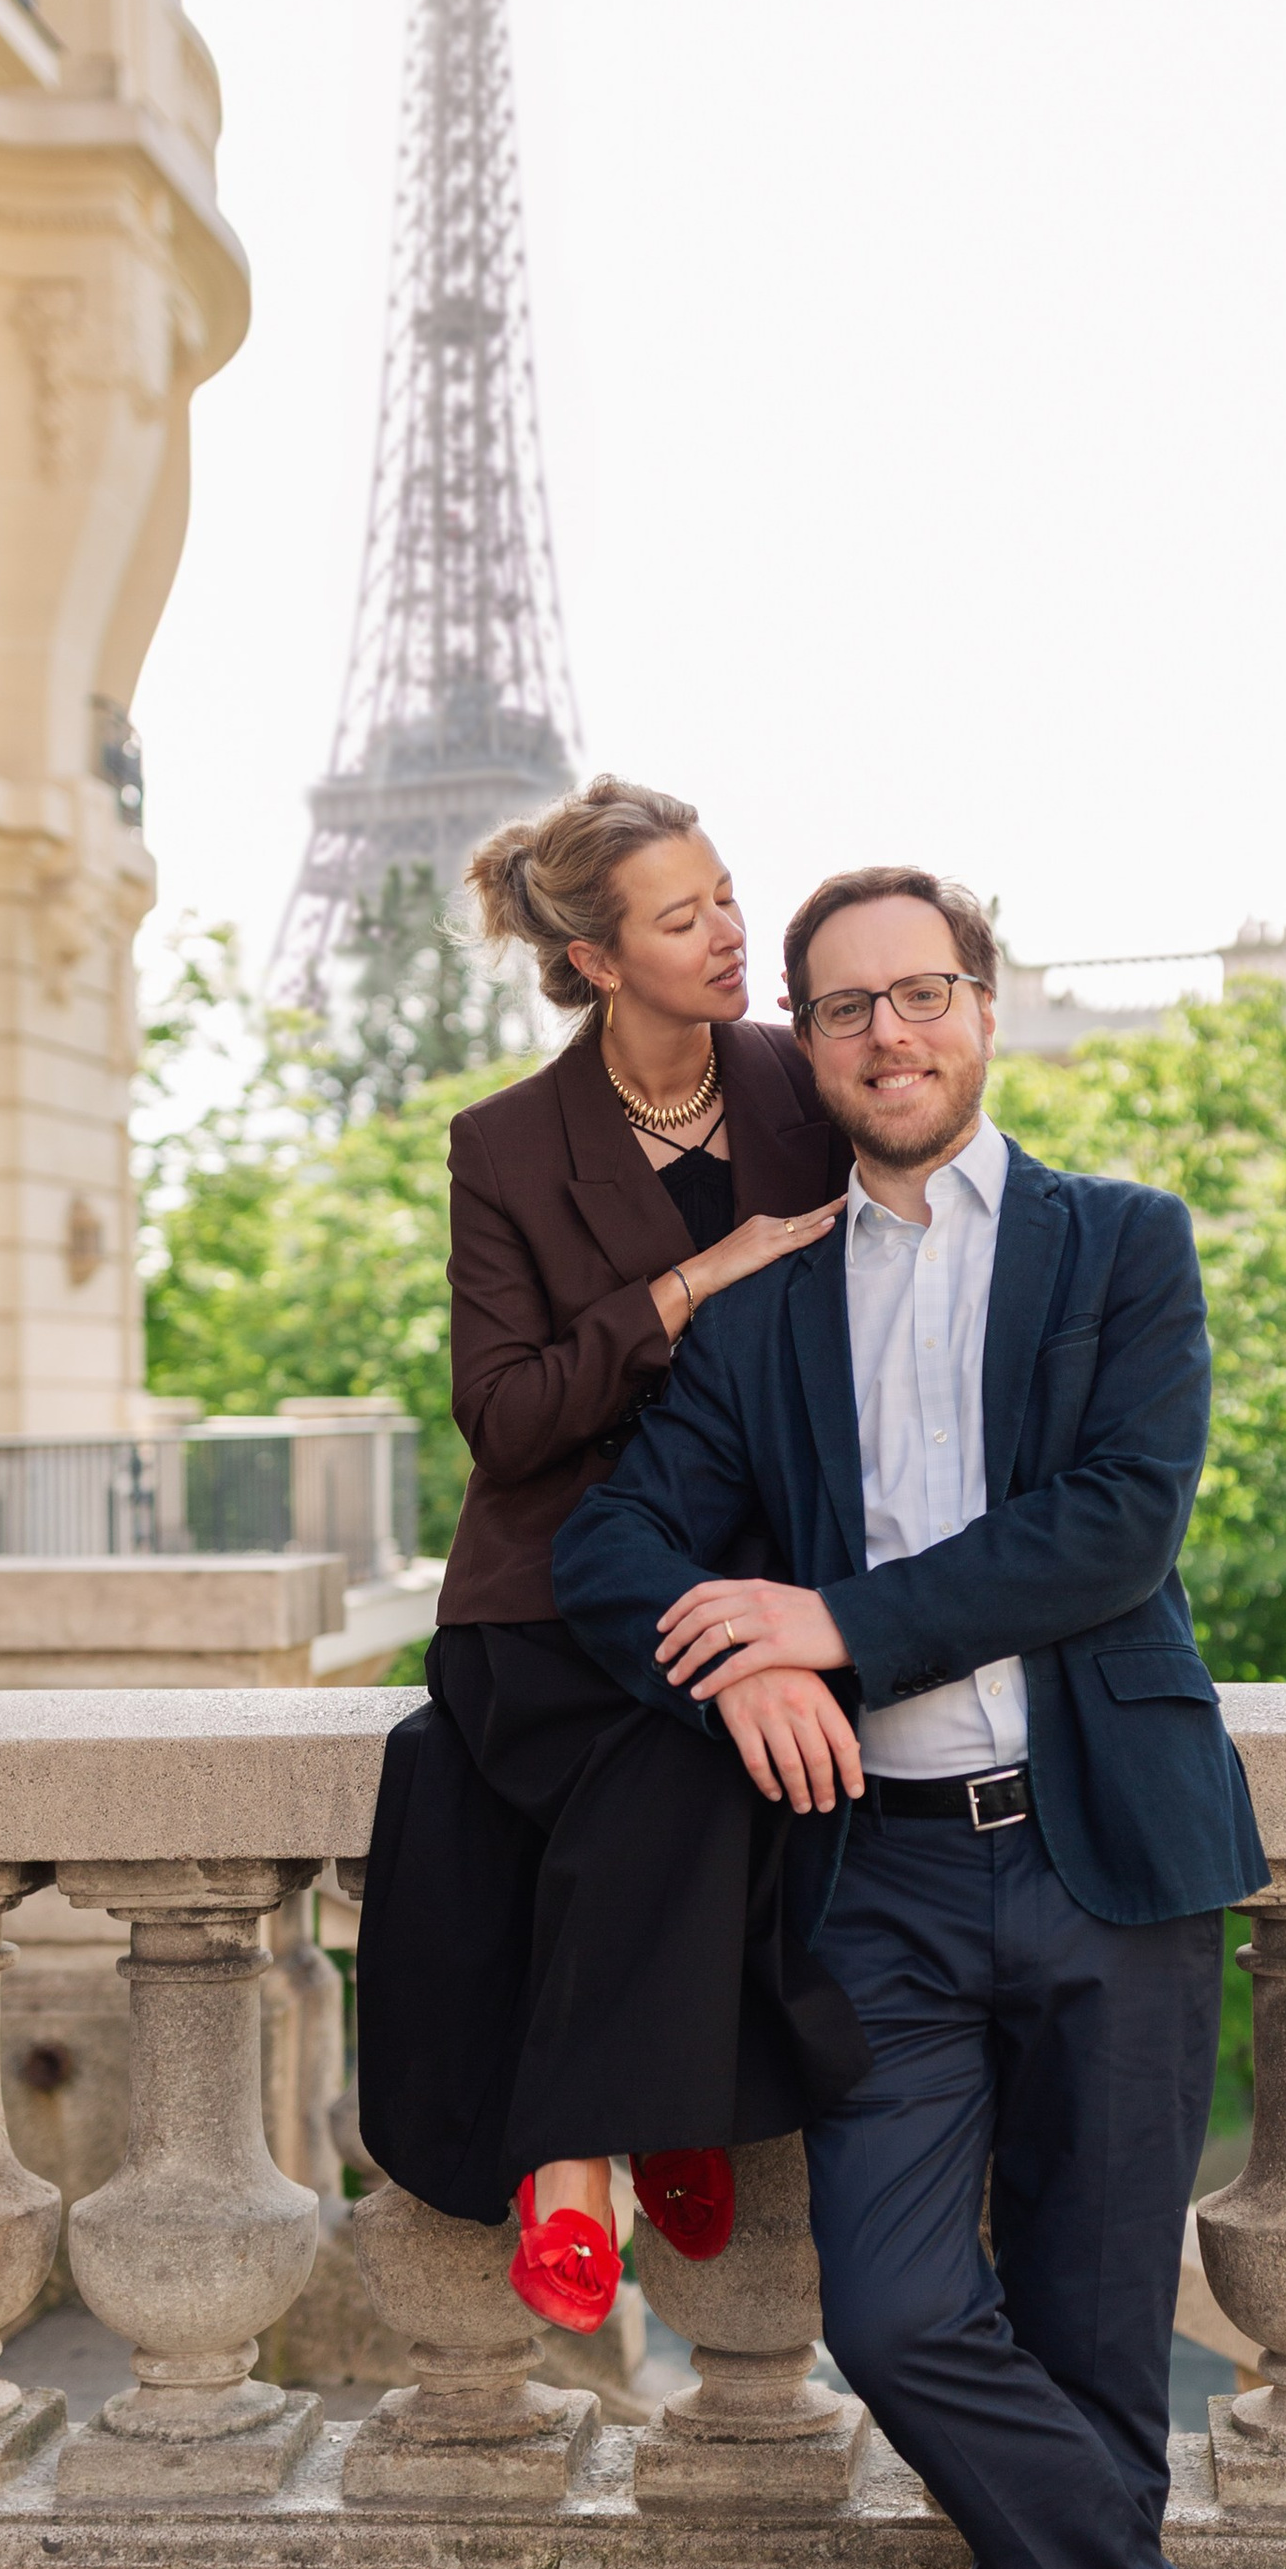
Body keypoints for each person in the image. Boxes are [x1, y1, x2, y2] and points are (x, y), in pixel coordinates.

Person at [553, 862, 1286, 2569]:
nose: (885, 1036)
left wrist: (832, 1617)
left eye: (919, 994)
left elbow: (1117, 1522)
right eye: (840, 1011)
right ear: (803, 1053)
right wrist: (728, 1667)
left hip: (1110, 1861)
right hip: (883, 1885)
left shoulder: (1121, 1244)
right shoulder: (760, 1315)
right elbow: (614, 1544)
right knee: (897, 2314)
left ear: (981, 1011)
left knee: (1097, 2371)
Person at [349, 777, 868, 2330]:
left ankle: (621, 2129)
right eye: (683, 915)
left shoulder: (803, 1082)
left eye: (724, 894)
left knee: (711, 1744)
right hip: (544, 1599)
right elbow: (503, 1423)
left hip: (757, 1567)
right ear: (594, 961)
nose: (729, 933)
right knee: (696, 1754)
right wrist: (692, 1283)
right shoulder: (507, 1147)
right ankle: (614, 2137)